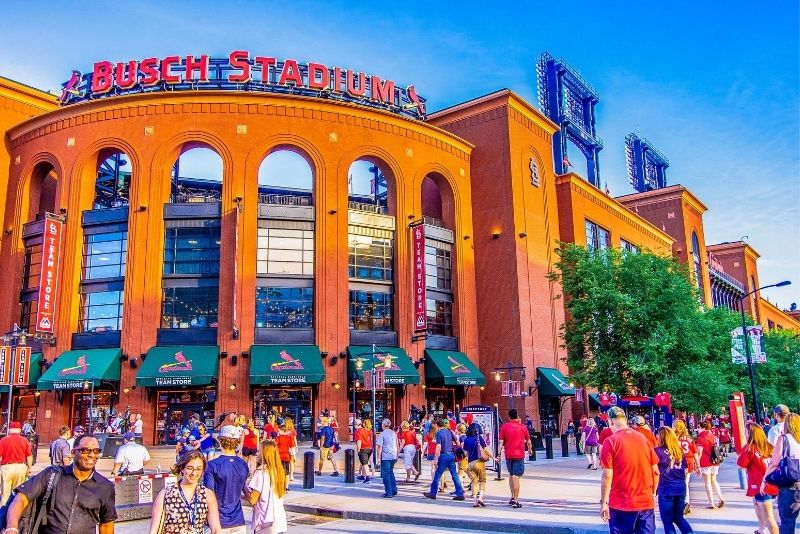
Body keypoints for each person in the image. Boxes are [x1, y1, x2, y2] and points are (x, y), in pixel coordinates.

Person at [5, 434, 116, 533]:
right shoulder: (52, 475)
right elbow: (21, 498)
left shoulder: (105, 487)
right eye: (86, 450)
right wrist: (12, 528)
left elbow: (106, 524)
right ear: (73, 453)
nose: (92, 455)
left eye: (96, 451)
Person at [599, 406, 659, 534]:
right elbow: (655, 471)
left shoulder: (610, 441)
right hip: (645, 501)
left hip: (621, 502)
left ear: (610, 421)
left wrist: (604, 502)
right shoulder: (644, 439)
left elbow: (607, 475)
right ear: (625, 420)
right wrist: (653, 492)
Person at [150, 449, 222, 534]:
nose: (194, 473)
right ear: (182, 469)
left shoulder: (207, 494)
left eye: (198, 469)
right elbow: (154, 529)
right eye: (190, 468)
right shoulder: (166, 493)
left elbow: (216, 529)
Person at [204, 425, 250, 534]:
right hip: (238, 520)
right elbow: (242, 487)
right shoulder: (243, 464)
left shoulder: (212, 465)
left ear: (220, 441)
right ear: (237, 442)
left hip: (218, 521)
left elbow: (209, 495)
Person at [737, 423, 779, 534]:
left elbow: (741, 465)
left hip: (760, 484)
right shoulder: (770, 446)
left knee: (769, 515)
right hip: (773, 482)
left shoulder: (750, 448)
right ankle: (761, 530)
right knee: (757, 504)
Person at [764, 412, 800, 534]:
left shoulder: (784, 439)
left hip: (790, 486)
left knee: (787, 522)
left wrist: (765, 480)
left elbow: (774, 463)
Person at [655, 426, 693, 534]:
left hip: (666, 488)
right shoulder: (679, 451)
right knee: (679, 518)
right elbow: (685, 470)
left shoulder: (657, 451)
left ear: (661, 437)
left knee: (667, 521)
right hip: (680, 487)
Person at [248, 441, 288, 534]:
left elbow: (253, 499)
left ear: (265, 454)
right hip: (279, 521)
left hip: (264, 522)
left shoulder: (261, 472)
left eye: (259, 451)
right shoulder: (279, 471)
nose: (257, 454)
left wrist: (243, 489)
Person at [496, 409, 531, 508]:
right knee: (516, 477)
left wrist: (498, 453)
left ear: (509, 416)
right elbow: (528, 441)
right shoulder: (522, 427)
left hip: (508, 455)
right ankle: (516, 500)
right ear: (517, 416)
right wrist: (530, 450)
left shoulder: (505, 427)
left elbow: (500, 442)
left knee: (511, 475)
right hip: (519, 455)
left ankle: (512, 496)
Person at [423, 417, 464, 501]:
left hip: (443, 455)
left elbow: (438, 447)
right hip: (451, 455)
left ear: (437, 425)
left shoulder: (439, 433)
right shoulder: (449, 431)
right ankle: (460, 493)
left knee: (437, 475)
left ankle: (433, 493)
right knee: (454, 475)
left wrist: (435, 459)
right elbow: (457, 442)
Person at [0, 421, 33, 505]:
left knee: (5, 494)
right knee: (18, 494)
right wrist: (29, 468)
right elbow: (29, 456)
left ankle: (2, 514)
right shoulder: (25, 440)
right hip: (20, 468)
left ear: (10, 430)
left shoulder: (3, 440)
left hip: (6, 468)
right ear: (19, 430)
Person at [696, 420, 725, 509]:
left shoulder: (701, 437)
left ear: (702, 427)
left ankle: (711, 503)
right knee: (714, 480)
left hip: (705, 461)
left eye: (698, 427)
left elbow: (699, 452)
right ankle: (721, 498)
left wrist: (697, 465)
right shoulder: (713, 436)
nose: (697, 429)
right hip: (715, 461)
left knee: (707, 483)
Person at [673, 419, 699, 515]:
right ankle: (686, 502)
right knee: (685, 482)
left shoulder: (674, 438)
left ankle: (682, 502)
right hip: (689, 462)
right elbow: (695, 453)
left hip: (678, 462)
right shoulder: (689, 438)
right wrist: (698, 466)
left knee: (679, 483)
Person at [463, 422, 488, 508]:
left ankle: (474, 501)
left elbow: (465, 453)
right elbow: (486, 450)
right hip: (479, 462)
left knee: (474, 482)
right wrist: (493, 458)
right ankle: (480, 498)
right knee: (482, 480)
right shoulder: (479, 438)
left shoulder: (466, 439)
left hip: (470, 463)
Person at [376, 418, 400, 499]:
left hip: (386, 456)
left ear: (383, 425)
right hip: (393, 455)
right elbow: (397, 444)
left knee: (386, 474)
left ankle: (389, 492)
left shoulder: (382, 434)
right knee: (391, 472)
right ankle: (394, 489)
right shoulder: (394, 433)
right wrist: (397, 455)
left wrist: (378, 458)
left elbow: (379, 446)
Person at [274, 420, 294, 488]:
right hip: (287, 456)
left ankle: (280, 485)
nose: (278, 432)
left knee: (279, 471)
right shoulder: (290, 438)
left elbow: (275, 446)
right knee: (287, 472)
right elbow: (291, 448)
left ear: (282, 431)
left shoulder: (278, 438)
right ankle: (286, 487)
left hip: (279, 456)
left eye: (279, 431)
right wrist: (292, 456)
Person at [354, 419, 374, 483]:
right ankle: (363, 475)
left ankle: (367, 478)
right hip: (370, 448)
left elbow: (359, 441)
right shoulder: (368, 430)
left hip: (363, 449)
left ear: (355, 425)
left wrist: (358, 450)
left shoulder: (358, 431)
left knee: (365, 464)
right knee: (364, 462)